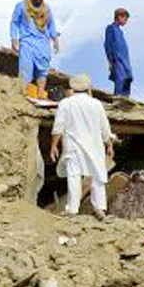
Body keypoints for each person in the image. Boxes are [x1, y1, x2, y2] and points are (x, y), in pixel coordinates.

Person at [50, 73, 114, 218]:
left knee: (74, 176)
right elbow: (105, 128)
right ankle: (100, 208)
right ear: (88, 88)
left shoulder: (66, 103)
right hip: (95, 147)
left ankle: (72, 209)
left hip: (74, 147)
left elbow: (58, 127)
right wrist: (109, 145)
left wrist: (54, 145)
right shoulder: (96, 104)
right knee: (98, 176)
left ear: (73, 88)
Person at [10, 0, 60, 99]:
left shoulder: (46, 9)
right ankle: (23, 93)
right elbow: (14, 23)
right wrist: (14, 38)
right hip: (27, 41)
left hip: (43, 42)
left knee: (43, 69)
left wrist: (55, 40)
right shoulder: (21, 6)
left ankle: (40, 94)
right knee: (26, 68)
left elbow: (51, 25)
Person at [104, 7, 133, 97]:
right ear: (119, 17)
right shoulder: (110, 28)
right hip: (117, 59)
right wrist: (110, 60)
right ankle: (117, 98)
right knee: (120, 79)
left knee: (128, 78)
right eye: (125, 19)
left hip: (125, 59)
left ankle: (125, 98)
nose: (126, 21)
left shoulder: (120, 31)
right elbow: (108, 44)